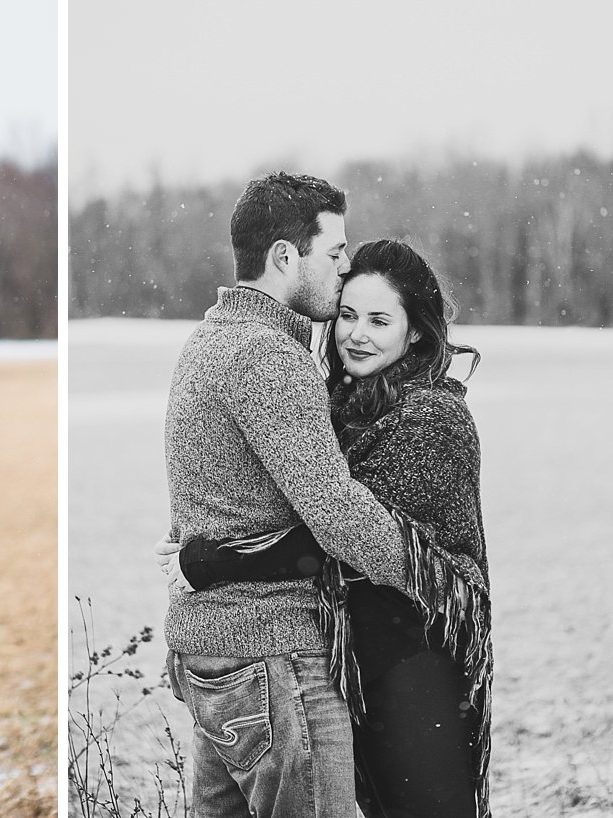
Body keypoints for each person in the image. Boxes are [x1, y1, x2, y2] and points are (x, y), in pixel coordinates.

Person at [170, 239, 492, 817]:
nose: (356, 335)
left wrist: (209, 563)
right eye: (347, 316)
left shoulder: (431, 418)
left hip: (411, 660)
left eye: (378, 320)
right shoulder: (338, 406)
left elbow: (342, 532)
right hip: (353, 658)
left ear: (415, 331)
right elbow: (306, 512)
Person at [160, 172, 413, 817]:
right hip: (275, 658)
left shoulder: (210, 338)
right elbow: (332, 508)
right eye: (333, 252)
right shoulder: (268, 355)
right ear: (284, 257)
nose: (345, 267)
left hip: (214, 655)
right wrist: (426, 568)